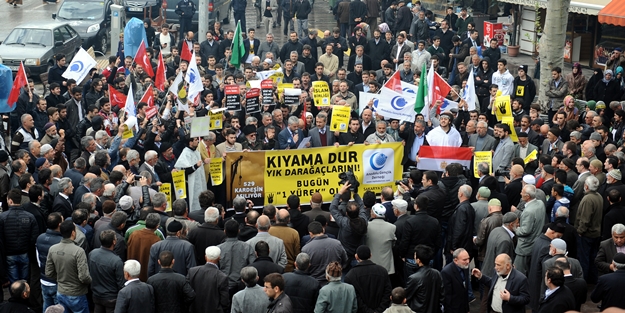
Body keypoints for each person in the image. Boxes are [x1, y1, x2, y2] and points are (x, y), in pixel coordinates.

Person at [45, 220, 92, 313]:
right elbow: (84, 277)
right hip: (77, 293)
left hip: (61, 291)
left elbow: (48, 273)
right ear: (73, 232)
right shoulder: (78, 251)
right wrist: (90, 281)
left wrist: (61, 278)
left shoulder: (53, 249)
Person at [0, 189, 38, 283]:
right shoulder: (30, 217)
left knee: (14, 282)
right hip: (25, 253)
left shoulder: (2, 217)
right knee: (25, 281)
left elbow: (1, 238)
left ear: (10, 200)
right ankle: (25, 295)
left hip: (9, 254)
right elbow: (34, 237)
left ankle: (15, 296)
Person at [344, 245, 392, 313]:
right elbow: (387, 292)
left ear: (356, 257)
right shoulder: (382, 271)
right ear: (370, 255)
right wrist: (380, 309)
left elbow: (355, 297)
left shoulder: (350, 275)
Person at [216, 219, 255, 296]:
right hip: (242, 287)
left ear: (224, 231)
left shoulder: (218, 249)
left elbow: (215, 269)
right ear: (238, 231)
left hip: (224, 286)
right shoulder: (247, 247)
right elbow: (252, 266)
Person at [89, 230, 125, 313]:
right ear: (114, 242)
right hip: (111, 298)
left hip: (96, 295)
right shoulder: (116, 261)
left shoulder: (92, 253)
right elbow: (121, 283)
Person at [514, 184, 546, 275]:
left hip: (525, 246)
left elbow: (525, 231)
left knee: (519, 272)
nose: (520, 193)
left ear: (527, 196)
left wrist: (515, 228)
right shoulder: (540, 203)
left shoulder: (529, 211)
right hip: (535, 243)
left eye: (522, 192)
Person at [187, 246, 230, 313]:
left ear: (205, 257)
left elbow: (187, 292)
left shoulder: (192, 271)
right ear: (219, 257)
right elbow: (224, 300)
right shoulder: (222, 277)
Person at [405, 245, 443, 313]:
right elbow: (442, 294)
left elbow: (407, 296)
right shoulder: (437, 273)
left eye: (415, 255)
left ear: (418, 260)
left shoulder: (414, 278)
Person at [175, 136, 209, 213]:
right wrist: (195, 166)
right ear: (190, 142)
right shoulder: (186, 153)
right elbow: (185, 170)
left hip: (199, 181)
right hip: (190, 183)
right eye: (196, 140)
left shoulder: (197, 152)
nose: (198, 141)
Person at [441, 248, 472, 313]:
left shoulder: (464, 267)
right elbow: (447, 296)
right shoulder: (446, 272)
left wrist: (467, 309)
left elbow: (465, 290)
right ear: (455, 260)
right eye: (464, 260)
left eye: (468, 258)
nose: (468, 261)